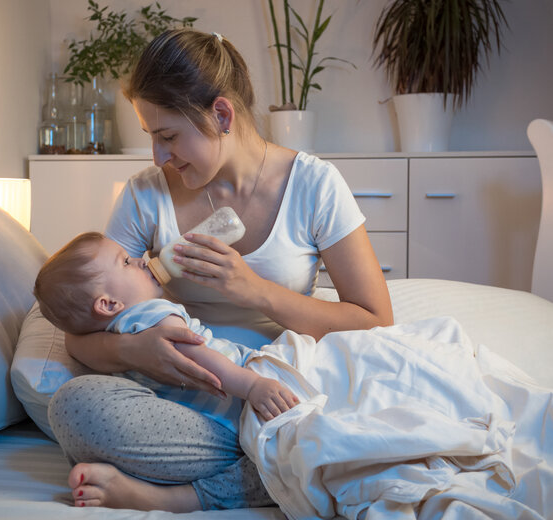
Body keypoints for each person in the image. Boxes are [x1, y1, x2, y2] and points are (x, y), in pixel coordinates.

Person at [48, 28, 393, 512]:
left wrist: (256, 291)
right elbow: (80, 333)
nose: (159, 157)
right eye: (152, 138)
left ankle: (183, 491)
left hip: (278, 392)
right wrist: (137, 348)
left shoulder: (314, 185)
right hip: (187, 402)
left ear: (222, 114)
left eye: (168, 136)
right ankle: (291, 461)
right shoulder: (146, 194)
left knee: (344, 418)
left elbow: (376, 321)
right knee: (74, 407)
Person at [35, 231, 300, 430]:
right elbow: (195, 356)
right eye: (126, 262)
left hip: (214, 412)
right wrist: (253, 385)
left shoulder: (118, 329)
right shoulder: (150, 312)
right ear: (108, 304)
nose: (142, 260)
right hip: (242, 383)